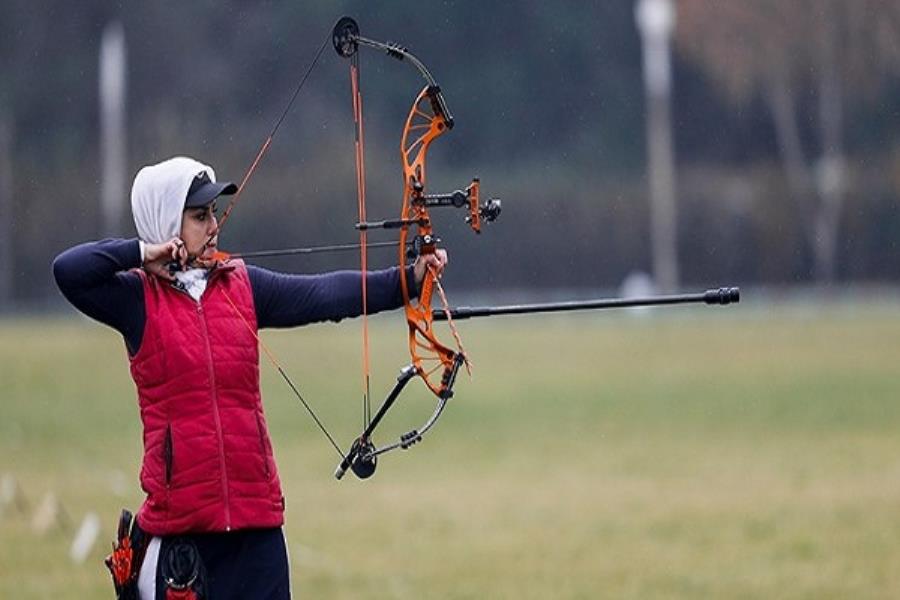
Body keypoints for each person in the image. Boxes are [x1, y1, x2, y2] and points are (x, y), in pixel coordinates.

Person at [53, 156, 447, 599]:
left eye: (213, 215)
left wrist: (408, 281)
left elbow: (324, 295)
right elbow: (69, 270)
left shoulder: (241, 285)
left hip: (257, 531)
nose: (213, 226)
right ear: (167, 224)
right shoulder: (136, 299)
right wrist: (144, 254)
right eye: (199, 216)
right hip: (184, 538)